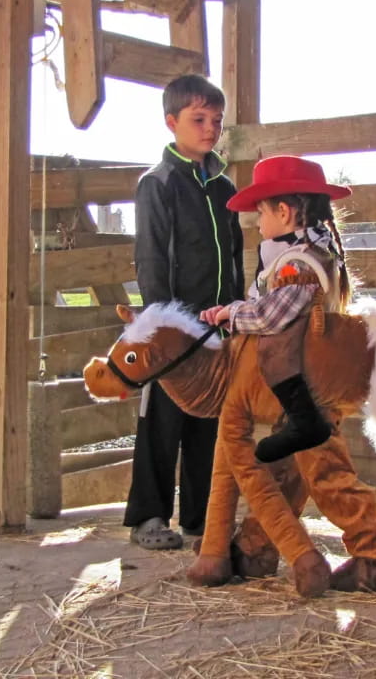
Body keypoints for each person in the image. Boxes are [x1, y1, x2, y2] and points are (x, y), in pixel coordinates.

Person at [125, 74, 245, 550]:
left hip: (219, 326)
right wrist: (164, 326)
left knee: (208, 422)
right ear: (172, 121)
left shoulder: (224, 186)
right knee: (163, 421)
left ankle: (200, 518)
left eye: (216, 119)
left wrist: (236, 313)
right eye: (199, 119)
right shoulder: (157, 184)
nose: (210, 128)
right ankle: (149, 517)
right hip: (174, 327)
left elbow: (233, 256)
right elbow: (151, 258)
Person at [200, 155, 352, 463]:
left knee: (274, 344)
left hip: (308, 369)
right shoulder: (301, 254)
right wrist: (230, 312)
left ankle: (305, 421)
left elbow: (271, 316)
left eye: (260, 213)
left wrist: (234, 315)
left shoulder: (299, 262)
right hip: (311, 364)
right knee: (300, 471)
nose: (257, 223)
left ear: (283, 213)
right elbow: (267, 304)